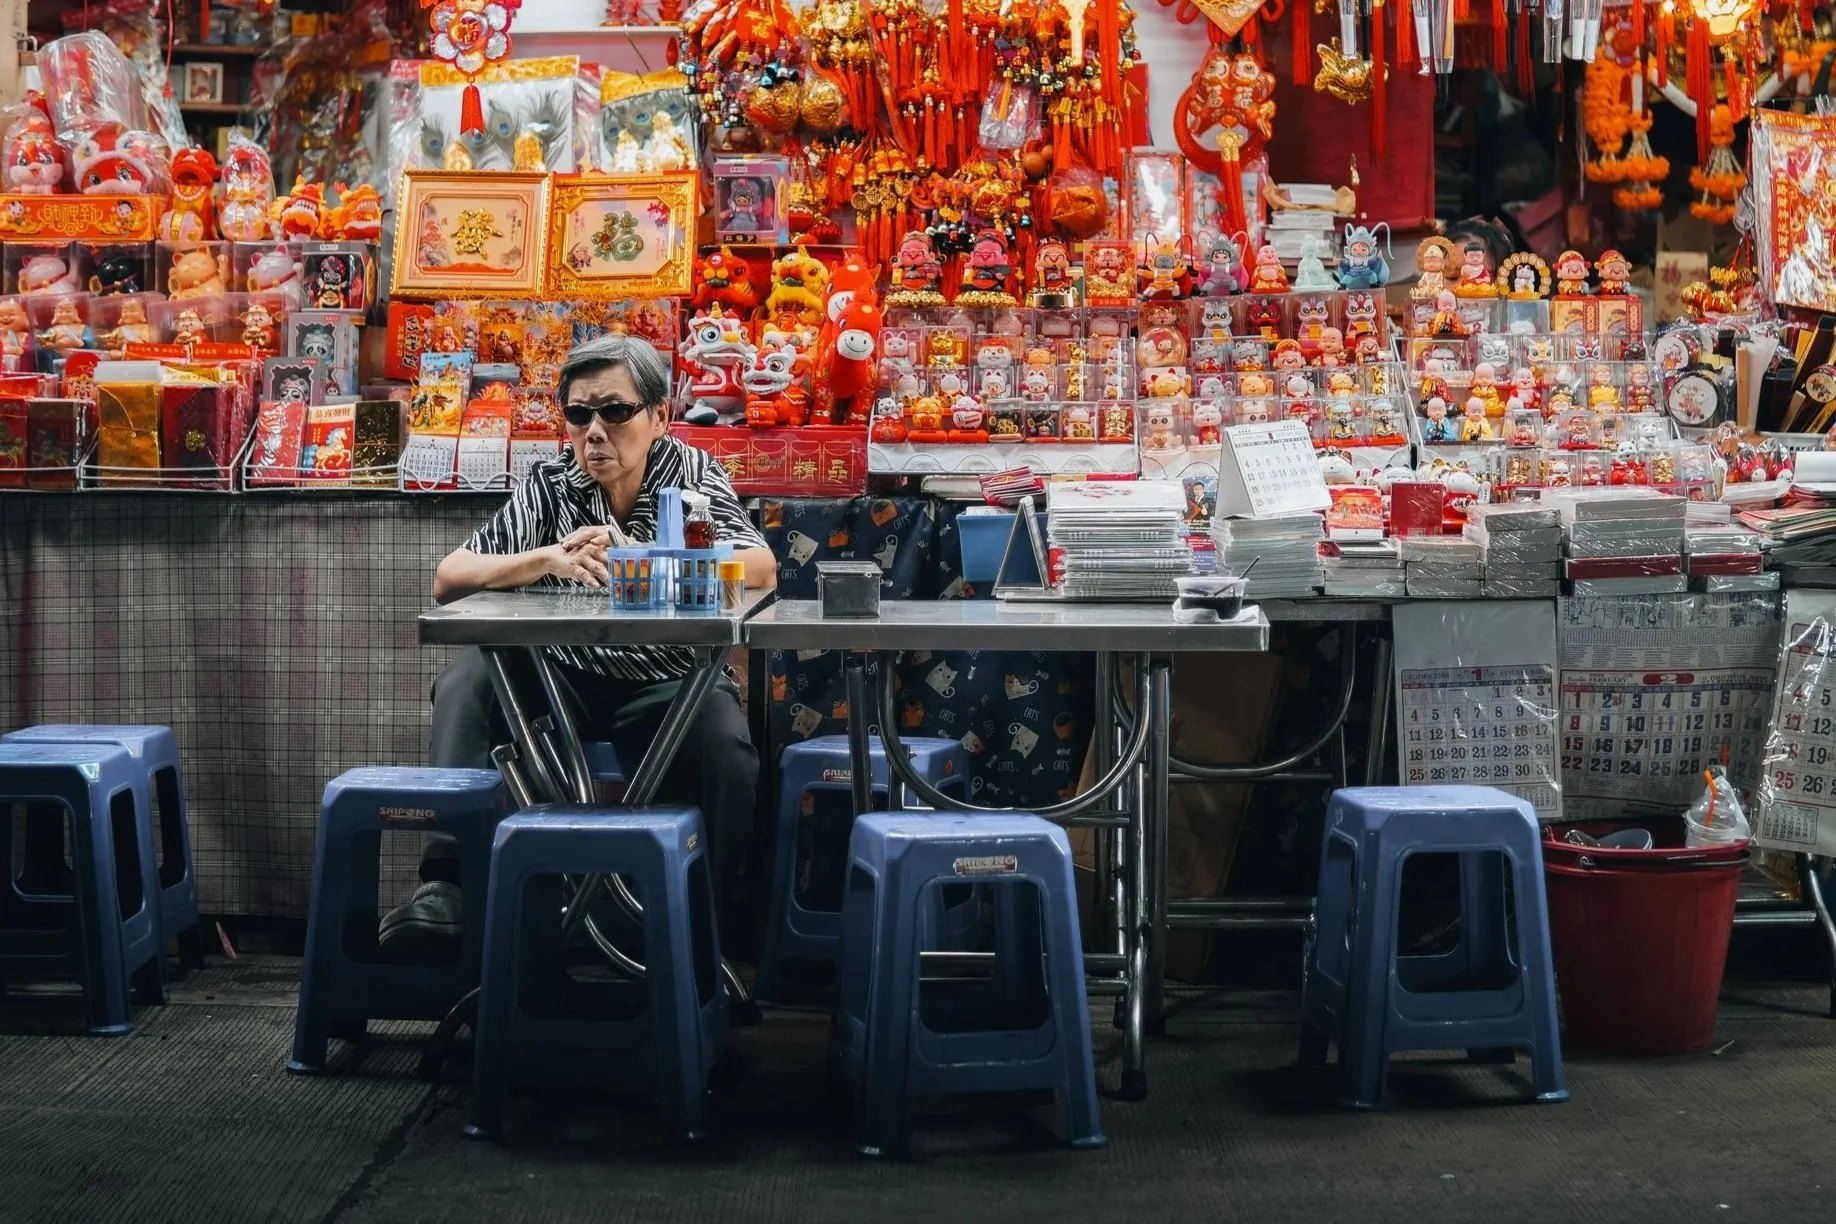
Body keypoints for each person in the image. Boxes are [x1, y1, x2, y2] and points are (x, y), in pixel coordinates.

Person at [380, 333, 776, 959]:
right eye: (578, 414)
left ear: (659, 417)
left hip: (666, 679)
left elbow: (762, 566)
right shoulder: (548, 485)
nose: (595, 431)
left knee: (724, 745)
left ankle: (705, 926)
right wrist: (541, 559)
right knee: (470, 679)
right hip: (559, 672)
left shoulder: (692, 473)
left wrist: (652, 559)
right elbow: (449, 578)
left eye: (615, 412)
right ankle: (447, 887)